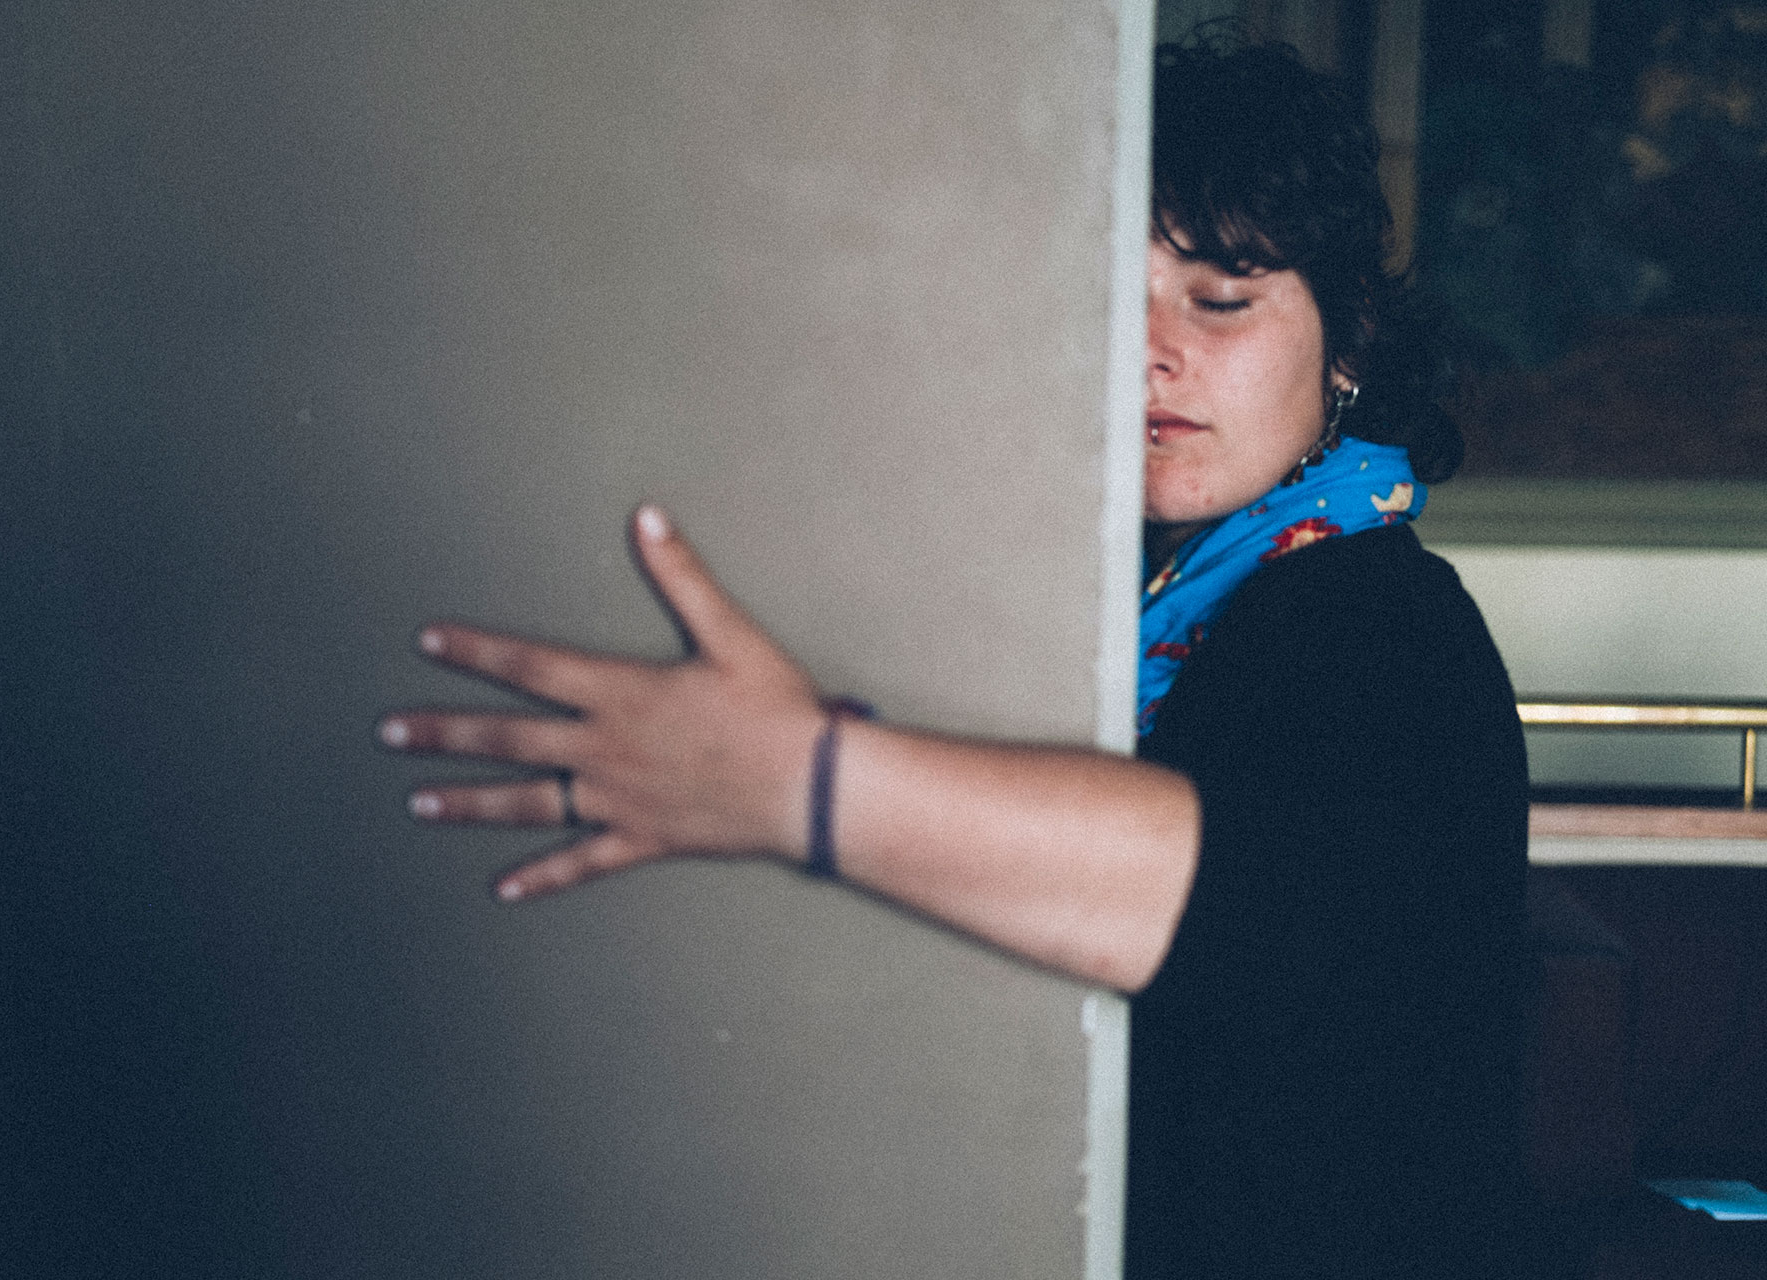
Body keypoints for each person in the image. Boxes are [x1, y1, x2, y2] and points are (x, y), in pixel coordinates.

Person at [378, 33, 1532, 1280]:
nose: (1149, 350)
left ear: (1347, 340)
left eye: (1220, 299)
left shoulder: (1381, 618)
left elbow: (1255, 903)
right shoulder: (1108, 592)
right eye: (1112, 296)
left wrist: (791, 778)